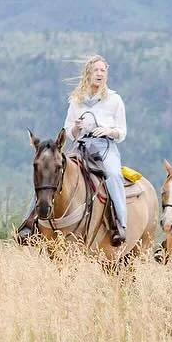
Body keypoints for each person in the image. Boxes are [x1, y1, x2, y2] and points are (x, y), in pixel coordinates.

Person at [64, 54, 128, 244]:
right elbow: (68, 130)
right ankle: (31, 223)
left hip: (105, 146)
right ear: (88, 74)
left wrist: (108, 130)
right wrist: (76, 128)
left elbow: (122, 131)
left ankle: (119, 224)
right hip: (81, 145)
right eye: (96, 70)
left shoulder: (114, 100)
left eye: (103, 70)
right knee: (53, 170)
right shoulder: (76, 101)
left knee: (113, 175)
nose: (100, 74)